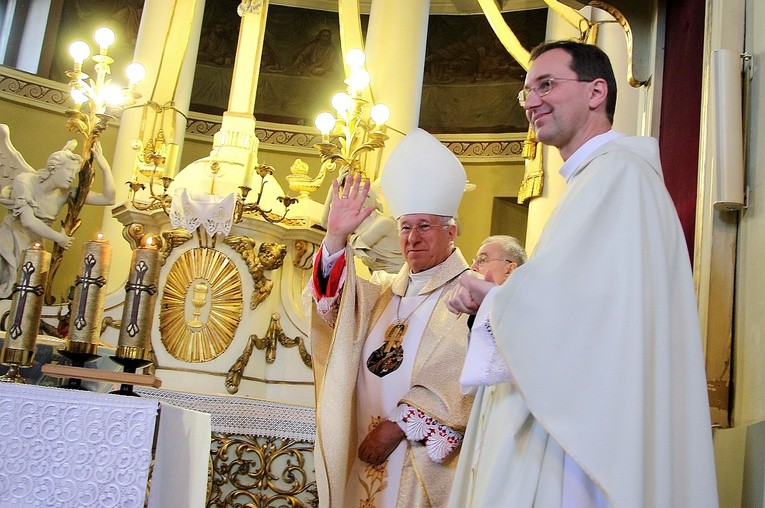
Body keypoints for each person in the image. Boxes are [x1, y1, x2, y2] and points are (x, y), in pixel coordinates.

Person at [446, 40, 718, 507]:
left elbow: (582, 317)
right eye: (526, 91)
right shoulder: (593, 181)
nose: (531, 101)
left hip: (587, 442)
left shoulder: (618, 177)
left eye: (546, 84)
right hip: (578, 419)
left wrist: (492, 300)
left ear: (597, 92)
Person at [307, 128, 475, 507]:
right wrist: (334, 238)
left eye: (424, 226)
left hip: (419, 461)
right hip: (364, 452)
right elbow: (333, 308)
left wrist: (398, 426)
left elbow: (463, 378)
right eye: (405, 227)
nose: (412, 238)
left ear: (451, 232)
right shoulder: (383, 292)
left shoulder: (469, 294)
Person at [0, 126, 116, 298]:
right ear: (55, 168)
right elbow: (28, 220)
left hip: (34, 245)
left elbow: (108, 199)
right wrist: (59, 237)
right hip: (10, 239)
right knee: (6, 287)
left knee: (25, 294)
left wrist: (105, 168)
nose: (72, 176)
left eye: (75, 173)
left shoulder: (65, 193)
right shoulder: (24, 181)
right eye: (69, 171)